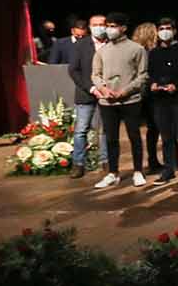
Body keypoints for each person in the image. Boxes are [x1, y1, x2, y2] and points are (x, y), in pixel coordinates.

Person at [90, 13, 149, 190]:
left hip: (130, 100)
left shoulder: (137, 49)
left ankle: (138, 171)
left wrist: (125, 90)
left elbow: (143, 75)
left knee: (134, 136)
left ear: (123, 28)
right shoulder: (102, 51)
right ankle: (112, 173)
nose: (109, 29)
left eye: (113, 26)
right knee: (111, 138)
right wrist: (103, 89)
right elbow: (95, 74)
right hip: (108, 102)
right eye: (108, 26)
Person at [148, 18, 178, 184]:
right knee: (166, 137)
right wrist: (152, 84)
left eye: (168, 28)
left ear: (174, 31)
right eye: (161, 28)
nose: (164, 31)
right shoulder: (153, 53)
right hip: (160, 100)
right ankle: (169, 169)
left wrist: (177, 85)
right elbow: (150, 73)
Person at [66, 14, 109, 178]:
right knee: (81, 130)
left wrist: (105, 89)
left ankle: (107, 162)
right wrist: (91, 88)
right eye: (95, 24)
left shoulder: (112, 44)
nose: (99, 27)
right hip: (86, 93)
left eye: (102, 24)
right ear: (90, 27)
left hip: (107, 94)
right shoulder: (80, 45)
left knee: (106, 130)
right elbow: (73, 70)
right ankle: (78, 164)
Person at [131, 22, 161, 174]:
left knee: (151, 129)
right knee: (154, 128)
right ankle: (153, 160)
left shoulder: (134, 50)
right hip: (149, 94)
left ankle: (152, 160)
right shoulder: (147, 52)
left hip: (140, 93)